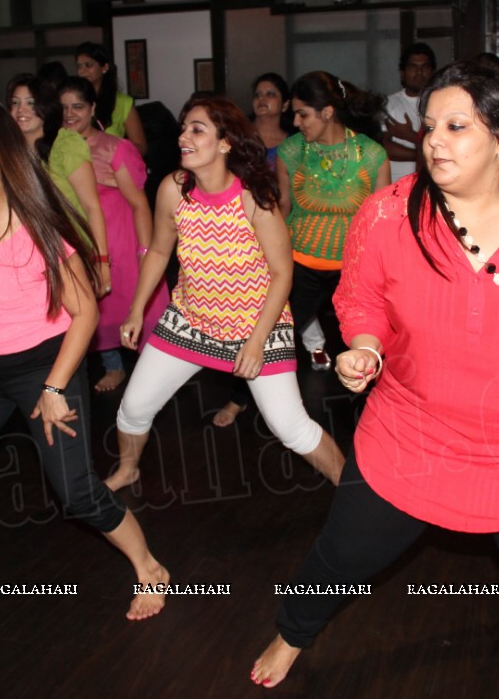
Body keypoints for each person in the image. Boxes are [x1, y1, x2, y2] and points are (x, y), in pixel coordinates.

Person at [250, 61, 499, 697]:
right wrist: (364, 348)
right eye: (429, 126)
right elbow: (363, 297)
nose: (433, 141)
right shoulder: (388, 214)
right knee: (342, 557)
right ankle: (292, 633)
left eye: (457, 126)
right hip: (413, 438)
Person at [0, 99, 168, 616]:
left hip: (41, 364)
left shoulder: (34, 227)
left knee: (76, 492)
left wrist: (54, 389)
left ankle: (149, 567)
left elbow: (84, 316)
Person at [105, 96, 346, 492]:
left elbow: (283, 274)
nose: (183, 136)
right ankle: (128, 469)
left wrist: (254, 343)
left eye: (197, 129)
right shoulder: (174, 189)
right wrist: (136, 310)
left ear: (225, 143)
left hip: (258, 325)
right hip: (189, 322)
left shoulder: (253, 198)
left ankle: (350, 487)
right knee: (132, 409)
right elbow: (161, 251)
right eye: (183, 128)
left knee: (291, 428)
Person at [213, 73, 327, 429]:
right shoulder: (236, 137)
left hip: (281, 233)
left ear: (286, 103)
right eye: (258, 93)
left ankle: (295, 369)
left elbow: (292, 197)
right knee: (251, 314)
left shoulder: (297, 143)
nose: (263, 99)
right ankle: (239, 396)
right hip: (238, 232)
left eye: (271, 94)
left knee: (280, 310)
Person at [58, 77, 168, 393]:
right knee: (95, 310)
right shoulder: (56, 149)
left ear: (93, 108)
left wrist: (145, 252)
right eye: (63, 107)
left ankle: (154, 376)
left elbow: (139, 204)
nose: (69, 114)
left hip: (122, 242)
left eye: (77, 106)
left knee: (138, 307)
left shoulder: (114, 147)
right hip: (81, 243)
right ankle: (114, 367)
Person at [277, 71, 389, 372]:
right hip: (300, 266)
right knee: (273, 340)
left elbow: (381, 223)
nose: (296, 123)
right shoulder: (291, 151)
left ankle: (370, 410)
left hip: (353, 269)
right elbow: (283, 206)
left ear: (327, 112)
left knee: (364, 348)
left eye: (303, 114)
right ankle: (240, 401)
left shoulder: (372, 155)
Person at [7, 74, 111, 297]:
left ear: (45, 107)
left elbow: (92, 207)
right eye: (15, 103)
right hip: (24, 259)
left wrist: (102, 262)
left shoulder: (65, 144)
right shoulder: (8, 153)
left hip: (69, 255)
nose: (21, 110)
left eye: (30, 103)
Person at [74, 42, 148, 156]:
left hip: (112, 168)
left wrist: (111, 151)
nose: (82, 71)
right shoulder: (74, 100)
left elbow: (141, 147)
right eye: (79, 66)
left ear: (104, 67)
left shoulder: (122, 102)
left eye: (88, 65)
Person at [382, 42, 437, 182]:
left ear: (433, 71)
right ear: (402, 73)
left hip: (433, 183)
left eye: (425, 67)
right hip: (398, 183)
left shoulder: (441, 104)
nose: (419, 72)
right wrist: (425, 155)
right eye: (413, 67)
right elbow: (385, 148)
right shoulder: (389, 104)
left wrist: (410, 136)